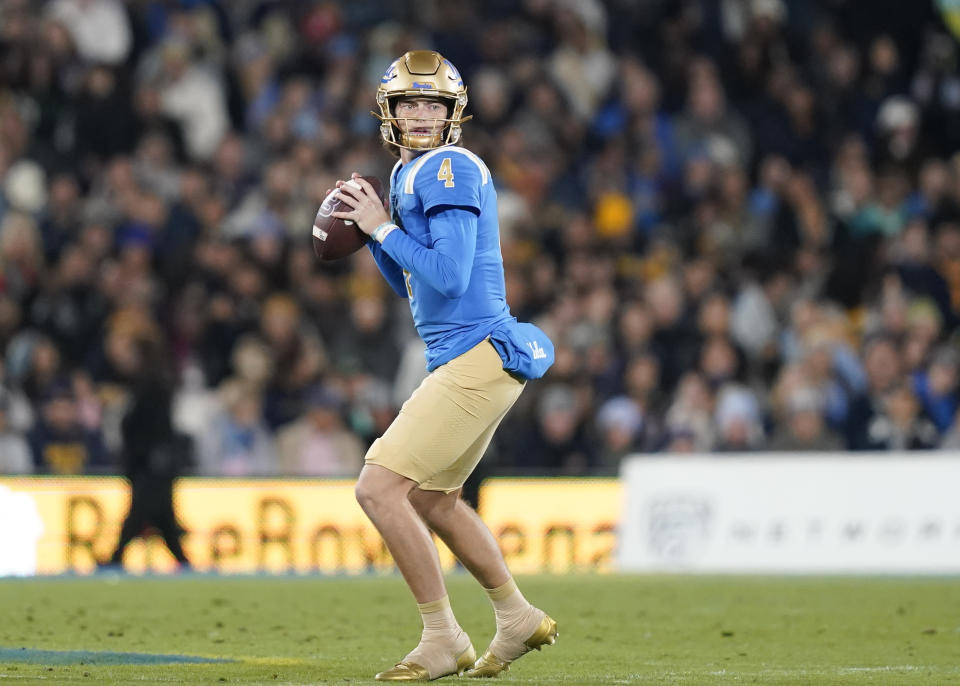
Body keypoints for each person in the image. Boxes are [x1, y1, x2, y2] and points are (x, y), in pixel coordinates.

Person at [331, 50, 558, 681]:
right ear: (391, 112)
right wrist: (372, 228)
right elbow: (410, 273)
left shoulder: (448, 166)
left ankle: (442, 637)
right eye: (411, 104)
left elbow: (451, 276)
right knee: (434, 500)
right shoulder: (413, 173)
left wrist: (380, 228)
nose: (423, 115)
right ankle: (515, 616)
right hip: (473, 358)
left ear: (452, 113)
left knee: (378, 487)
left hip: (476, 354)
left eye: (433, 104)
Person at [102, 336, 192, 570]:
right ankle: (185, 564)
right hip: (150, 465)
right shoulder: (146, 385)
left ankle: (115, 558)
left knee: (139, 514)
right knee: (164, 521)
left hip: (152, 466)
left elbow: (151, 428)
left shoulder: (152, 386)